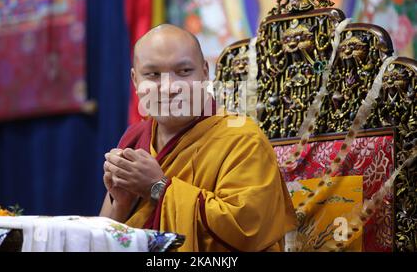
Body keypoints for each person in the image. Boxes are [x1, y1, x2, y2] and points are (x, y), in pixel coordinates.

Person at [100, 24, 297, 251]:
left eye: (183, 72)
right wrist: (122, 204)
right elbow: (101, 239)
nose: (169, 88)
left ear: (205, 72)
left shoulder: (243, 140)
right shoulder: (136, 139)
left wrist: (158, 188)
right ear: (135, 81)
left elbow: (249, 232)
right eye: (152, 75)